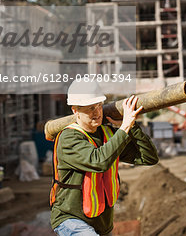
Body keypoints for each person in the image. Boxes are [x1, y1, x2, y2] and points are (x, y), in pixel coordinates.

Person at [50, 79, 159, 235]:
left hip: (102, 224)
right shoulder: (69, 138)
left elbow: (149, 157)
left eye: (99, 106)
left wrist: (133, 127)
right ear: (75, 110)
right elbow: (99, 161)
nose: (97, 112)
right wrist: (125, 126)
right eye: (90, 108)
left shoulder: (108, 134)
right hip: (71, 219)